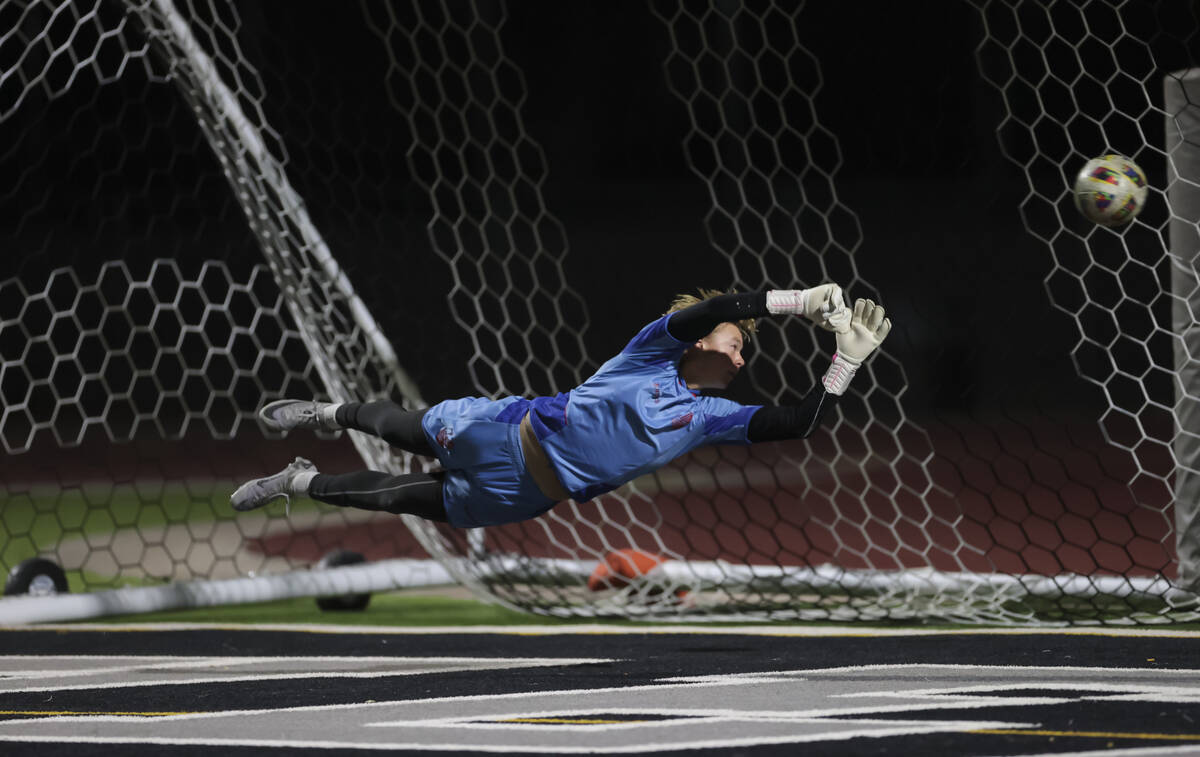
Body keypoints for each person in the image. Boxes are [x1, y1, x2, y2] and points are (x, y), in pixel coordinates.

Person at [230, 285, 891, 527]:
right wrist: (795, 303)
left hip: (523, 495)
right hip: (504, 433)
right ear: (698, 338)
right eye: (734, 345)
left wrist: (847, 360)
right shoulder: (650, 351)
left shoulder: (708, 416)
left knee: (392, 498)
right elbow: (717, 309)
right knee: (404, 427)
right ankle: (328, 413)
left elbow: (797, 422)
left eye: (746, 352)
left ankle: (298, 479)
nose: (741, 355)